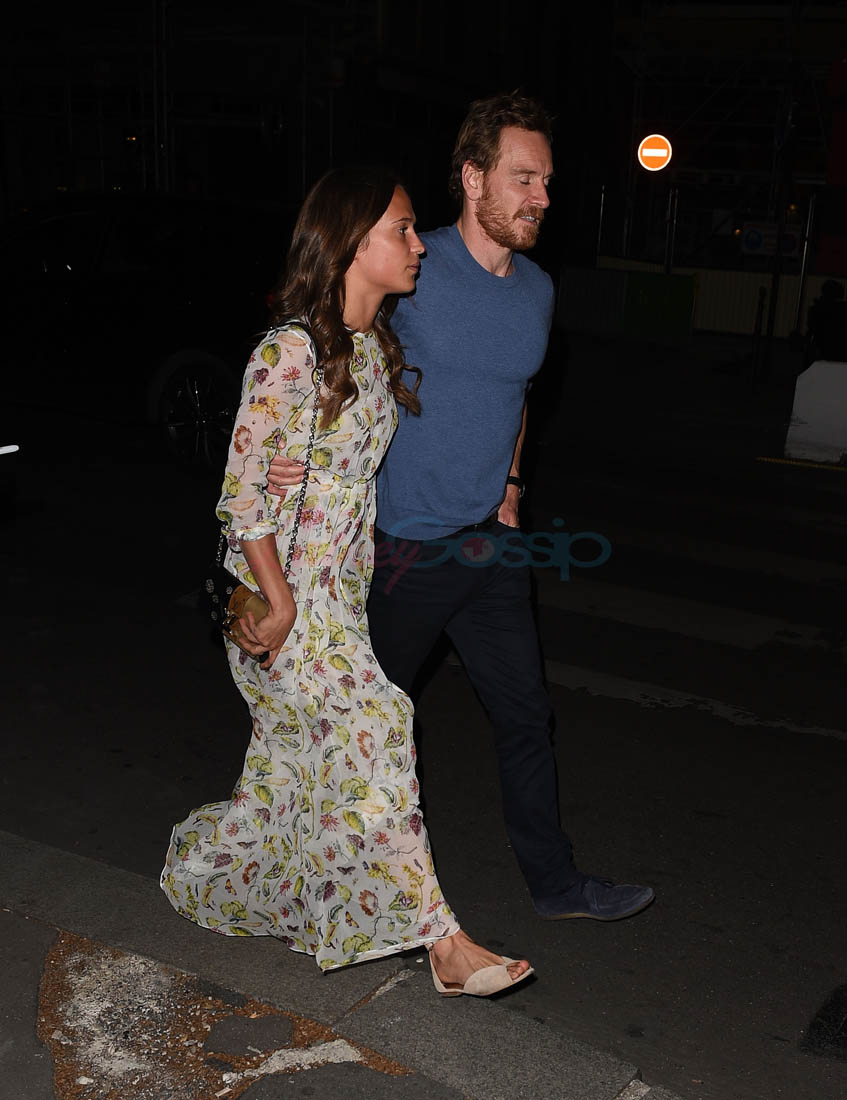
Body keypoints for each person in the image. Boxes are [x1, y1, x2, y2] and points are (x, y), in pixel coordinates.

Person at [268, 93, 654, 923]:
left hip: (491, 547)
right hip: (402, 550)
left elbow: (517, 397)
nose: (541, 197)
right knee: (359, 732)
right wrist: (297, 474)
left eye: (545, 181)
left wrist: (511, 488)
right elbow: (329, 347)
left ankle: (555, 885)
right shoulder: (412, 267)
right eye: (523, 179)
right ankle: (314, 880)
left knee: (526, 717)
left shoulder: (537, 290)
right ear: (473, 178)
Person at [160, 167, 532, 997]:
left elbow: (343, 462)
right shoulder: (288, 351)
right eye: (401, 228)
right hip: (285, 603)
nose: (418, 245)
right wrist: (277, 599)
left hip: (342, 596)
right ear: (349, 242)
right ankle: (443, 943)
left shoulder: (369, 347)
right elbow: (239, 495)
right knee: (381, 723)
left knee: (285, 780)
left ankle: (215, 878)